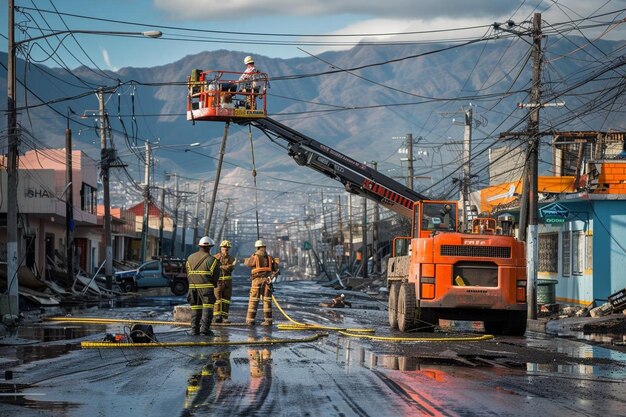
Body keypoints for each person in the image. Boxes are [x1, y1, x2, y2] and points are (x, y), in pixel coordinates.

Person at [186, 236, 220, 336]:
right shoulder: (212, 260)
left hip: (193, 287)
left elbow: (187, 273)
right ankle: (205, 329)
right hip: (206, 288)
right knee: (207, 308)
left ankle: (194, 330)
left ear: (199, 246)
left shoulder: (190, 258)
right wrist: (213, 284)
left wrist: (191, 284)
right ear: (210, 247)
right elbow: (216, 276)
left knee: (195, 308)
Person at [244, 239, 279, 326]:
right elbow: (276, 269)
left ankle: (250, 320)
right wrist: (271, 277)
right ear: (265, 248)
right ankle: (268, 320)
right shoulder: (270, 258)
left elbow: (248, 264)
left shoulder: (254, 257)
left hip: (256, 281)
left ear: (257, 248)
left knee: (253, 300)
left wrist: (251, 256)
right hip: (267, 281)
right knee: (267, 301)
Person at [213, 240, 236, 324]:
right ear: (221, 248)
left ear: (229, 249)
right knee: (217, 299)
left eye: (227, 248)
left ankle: (225, 317)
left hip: (227, 282)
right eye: (223, 248)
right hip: (218, 281)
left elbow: (231, 268)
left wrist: (221, 266)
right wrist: (226, 267)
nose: (225, 249)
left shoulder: (232, 258)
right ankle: (217, 316)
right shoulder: (215, 257)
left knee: (226, 300)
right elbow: (213, 268)